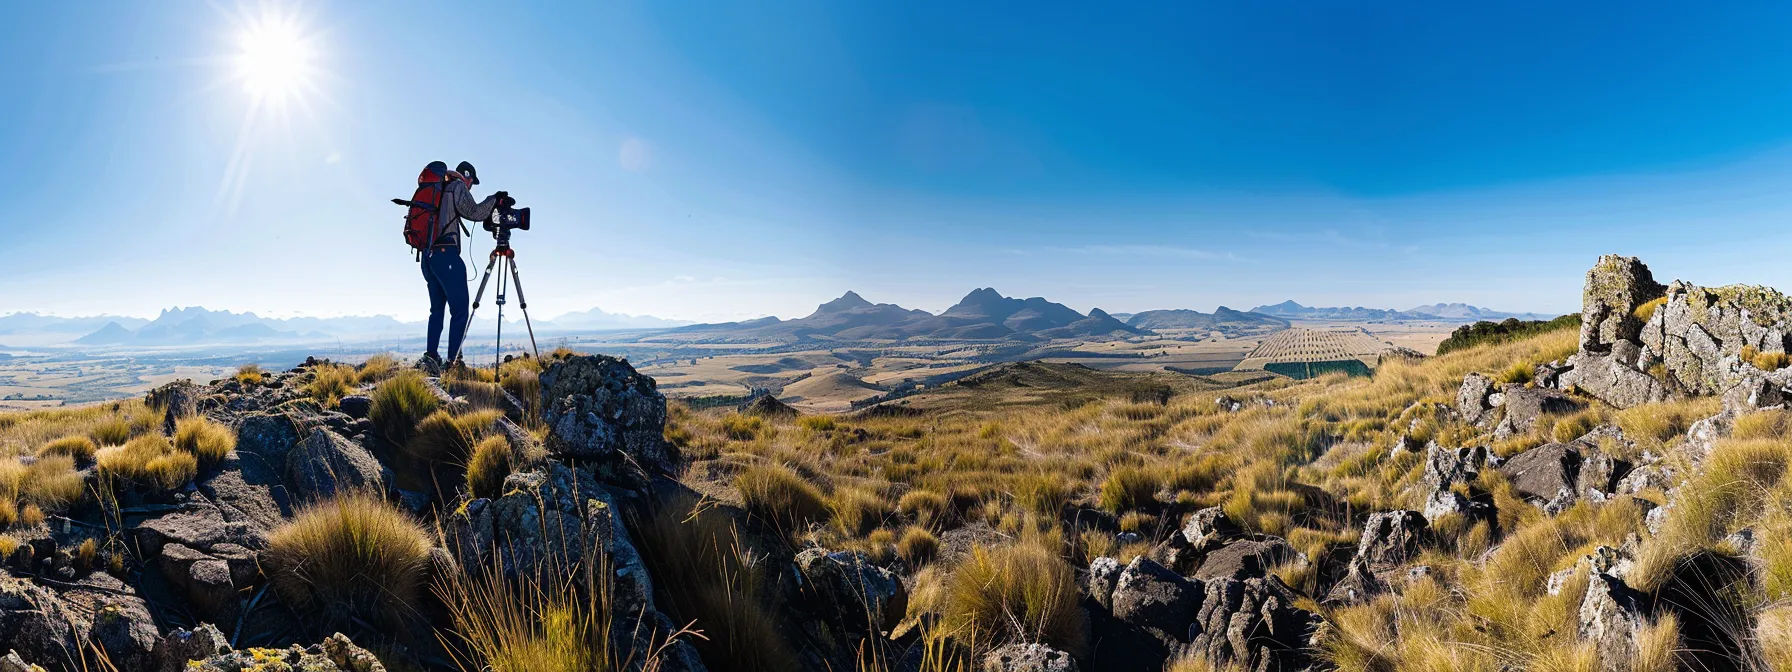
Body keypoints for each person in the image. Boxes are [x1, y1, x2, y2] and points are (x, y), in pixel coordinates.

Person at [420, 161, 504, 370]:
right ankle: (454, 362)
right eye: (472, 182)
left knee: (437, 310)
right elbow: (474, 212)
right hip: (446, 255)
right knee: (460, 311)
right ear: (466, 176)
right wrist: (495, 199)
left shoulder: (439, 190)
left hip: (428, 256)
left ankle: (431, 358)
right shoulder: (456, 186)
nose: (471, 187)